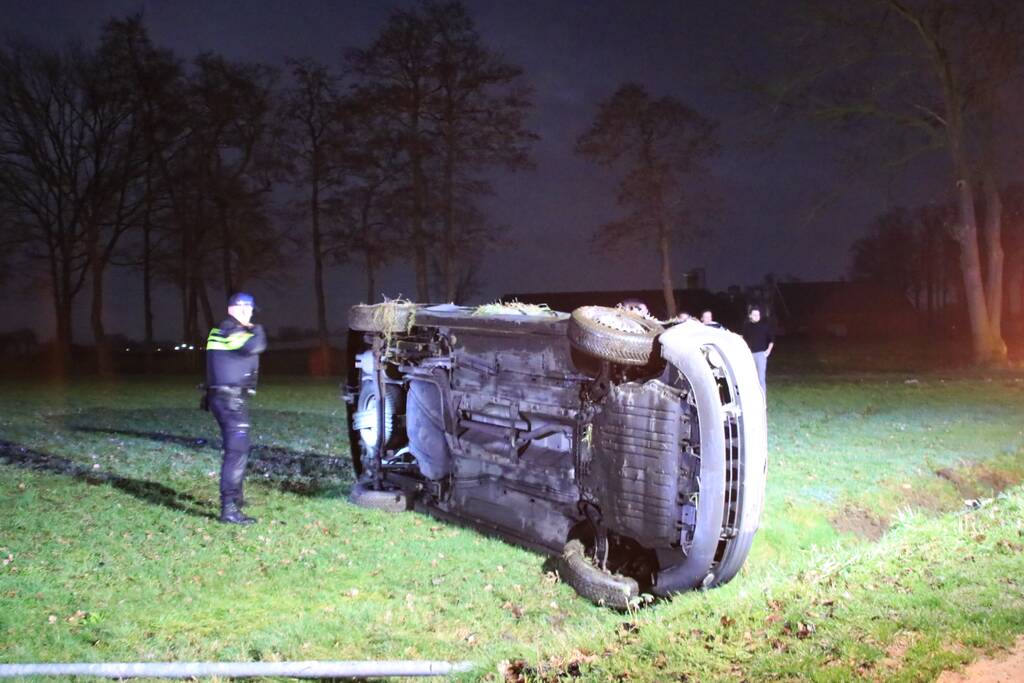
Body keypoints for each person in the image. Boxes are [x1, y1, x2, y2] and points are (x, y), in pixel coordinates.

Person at [205, 292, 267, 524]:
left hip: (227, 399)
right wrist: (257, 328)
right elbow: (256, 346)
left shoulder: (227, 329)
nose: (250, 313)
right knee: (237, 451)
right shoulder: (228, 330)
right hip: (228, 400)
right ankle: (229, 509)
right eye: (247, 309)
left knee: (238, 448)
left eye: (250, 309)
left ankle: (236, 499)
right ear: (236, 309)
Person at [741, 305, 774, 395]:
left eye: (758, 315)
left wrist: (768, 351)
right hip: (749, 355)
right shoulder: (746, 326)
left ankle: (762, 401)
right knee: (750, 377)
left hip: (760, 355)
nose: (756, 317)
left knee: (760, 378)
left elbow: (771, 340)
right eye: (754, 315)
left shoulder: (764, 326)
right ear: (750, 315)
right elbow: (744, 339)